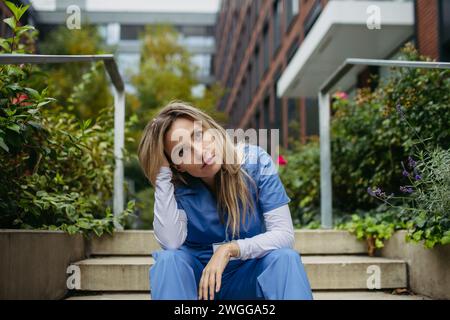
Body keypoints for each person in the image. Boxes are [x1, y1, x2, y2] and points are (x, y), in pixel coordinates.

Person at [137, 100, 313, 300]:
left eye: (199, 135)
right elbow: (170, 243)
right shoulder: (175, 186)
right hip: (197, 285)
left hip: (248, 278)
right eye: (182, 151)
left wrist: (229, 249)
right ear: (178, 166)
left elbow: (284, 234)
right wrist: (161, 176)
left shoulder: (255, 162)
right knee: (169, 260)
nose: (201, 153)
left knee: (285, 259)